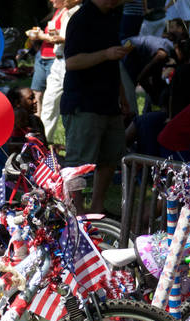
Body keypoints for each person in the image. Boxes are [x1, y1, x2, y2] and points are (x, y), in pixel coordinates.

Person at [61, 0, 131, 214]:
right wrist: (106, 54)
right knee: (79, 163)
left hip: (109, 103)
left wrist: (124, 99)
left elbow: (113, 64)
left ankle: (97, 206)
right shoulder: (81, 19)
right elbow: (71, 62)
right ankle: (77, 211)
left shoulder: (111, 17)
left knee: (110, 158)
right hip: (84, 103)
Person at [41, 0, 82, 143]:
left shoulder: (79, 12)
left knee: (70, 105)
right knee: (49, 102)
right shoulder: (64, 12)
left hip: (69, 61)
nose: (52, 0)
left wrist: (59, 38)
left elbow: (75, 39)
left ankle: (73, 143)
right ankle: (43, 143)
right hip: (57, 61)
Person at [26, 0, 66, 117]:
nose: (51, 0)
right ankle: (36, 120)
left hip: (54, 58)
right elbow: (53, 34)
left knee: (53, 95)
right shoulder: (56, 12)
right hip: (42, 56)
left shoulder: (68, 14)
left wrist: (41, 36)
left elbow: (60, 38)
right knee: (37, 92)